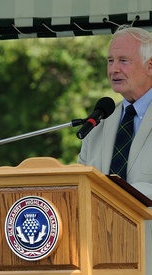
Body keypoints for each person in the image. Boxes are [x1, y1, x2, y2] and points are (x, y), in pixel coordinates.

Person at [77, 25, 152, 273]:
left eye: (123, 61)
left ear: (150, 66)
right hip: (101, 257)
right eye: (110, 60)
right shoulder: (98, 122)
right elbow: (79, 187)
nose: (113, 69)